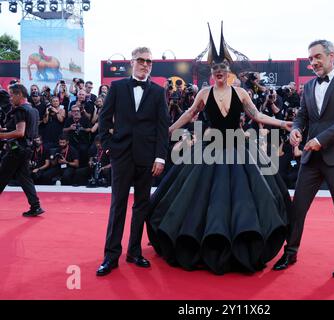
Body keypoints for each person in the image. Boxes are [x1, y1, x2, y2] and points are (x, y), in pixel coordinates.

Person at [147, 23, 292, 275]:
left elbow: (256, 115)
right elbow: (190, 115)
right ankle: (199, 240)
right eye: (215, 69)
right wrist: (169, 130)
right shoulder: (204, 92)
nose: (219, 72)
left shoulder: (241, 93)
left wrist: (282, 122)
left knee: (245, 195)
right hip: (208, 149)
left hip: (238, 148)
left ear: (229, 71)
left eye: (223, 68)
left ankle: (244, 241)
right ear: (211, 72)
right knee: (199, 195)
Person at [273, 40, 334, 278]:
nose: (313, 62)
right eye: (310, 59)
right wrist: (295, 130)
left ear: (331, 56)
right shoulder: (309, 86)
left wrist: (320, 140)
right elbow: (302, 115)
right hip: (311, 157)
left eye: (317, 57)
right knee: (297, 207)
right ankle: (290, 252)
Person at [96, 46, 170, 276]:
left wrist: (160, 157)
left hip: (147, 157)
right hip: (122, 154)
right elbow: (104, 117)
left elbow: (162, 127)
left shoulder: (158, 92)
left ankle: (135, 252)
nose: (146, 64)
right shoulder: (117, 87)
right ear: (132, 62)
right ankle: (110, 256)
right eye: (141, 60)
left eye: (149, 61)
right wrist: (109, 147)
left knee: (141, 205)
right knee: (117, 204)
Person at [0, 85, 45, 217]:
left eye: (12, 95)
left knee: (2, 176)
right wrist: (6, 131)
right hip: (27, 149)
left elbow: (20, 132)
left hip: (16, 150)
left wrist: (1, 135)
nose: (10, 99)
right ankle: (36, 206)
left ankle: (36, 206)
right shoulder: (33, 110)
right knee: (24, 178)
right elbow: (26, 131)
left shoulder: (20, 110)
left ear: (19, 94)